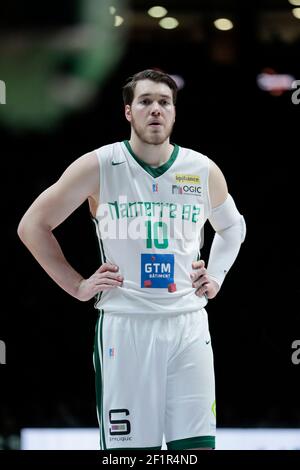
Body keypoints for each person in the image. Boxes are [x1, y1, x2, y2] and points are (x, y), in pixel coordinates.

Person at [18, 69, 246, 450]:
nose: (155, 109)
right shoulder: (99, 165)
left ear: (174, 113)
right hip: (126, 326)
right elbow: (33, 226)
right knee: (129, 455)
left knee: (195, 449)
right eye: (145, 101)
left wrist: (217, 276)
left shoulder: (202, 170)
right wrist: (77, 285)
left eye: (164, 102)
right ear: (128, 111)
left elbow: (233, 230)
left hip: (188, 325)